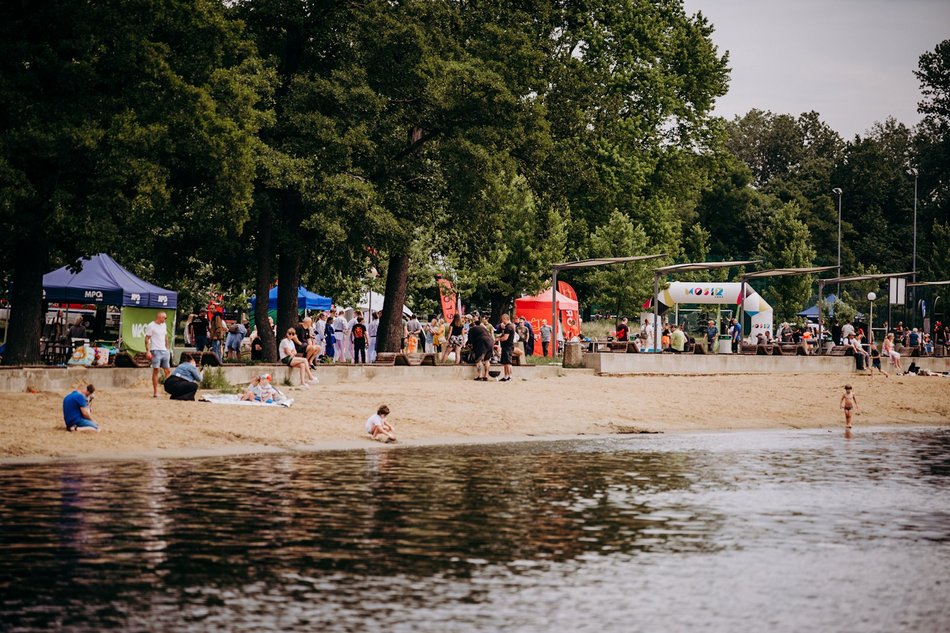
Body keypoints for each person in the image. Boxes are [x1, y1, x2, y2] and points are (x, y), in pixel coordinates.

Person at [145, 311, 172, 398]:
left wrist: (167, 348)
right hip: (155, 350)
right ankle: (155, 392)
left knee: (167, 371)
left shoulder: (164, 325)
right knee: (156, 370)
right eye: (165, 317)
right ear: (160, 317)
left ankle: (170, 389)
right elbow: (147, 339)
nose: (165, 319)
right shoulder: (151, 325)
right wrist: (148, 351)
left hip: (164, 350)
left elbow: (166, 337)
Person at [498, 313, 516, 382]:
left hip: (508, 346)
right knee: (505, 362)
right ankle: (506, 376)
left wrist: (498, 339)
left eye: (502, 319)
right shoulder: (510, 326)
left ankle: (509, 376)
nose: (502, 321)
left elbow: (505, 338)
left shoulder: (508, 327)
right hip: (506, 346)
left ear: (505, 319)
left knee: (508, 362)